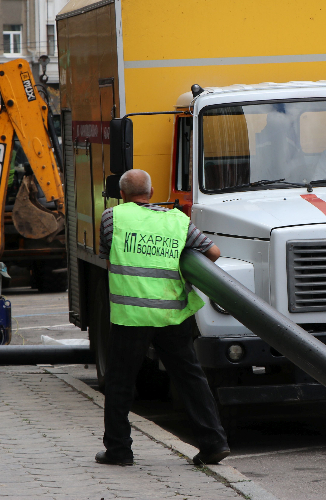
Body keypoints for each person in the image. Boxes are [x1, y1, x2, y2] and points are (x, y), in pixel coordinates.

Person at [95, 169, 230, 467]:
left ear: (123, 194)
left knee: (120, 383)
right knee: (190, 379)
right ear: (152, 192)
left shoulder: (112, 217)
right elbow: (214, 253)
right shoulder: (177, 221)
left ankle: (119, 450)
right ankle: (214, 443)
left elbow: (109, 258)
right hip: (172, 314)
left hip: (131, 316)